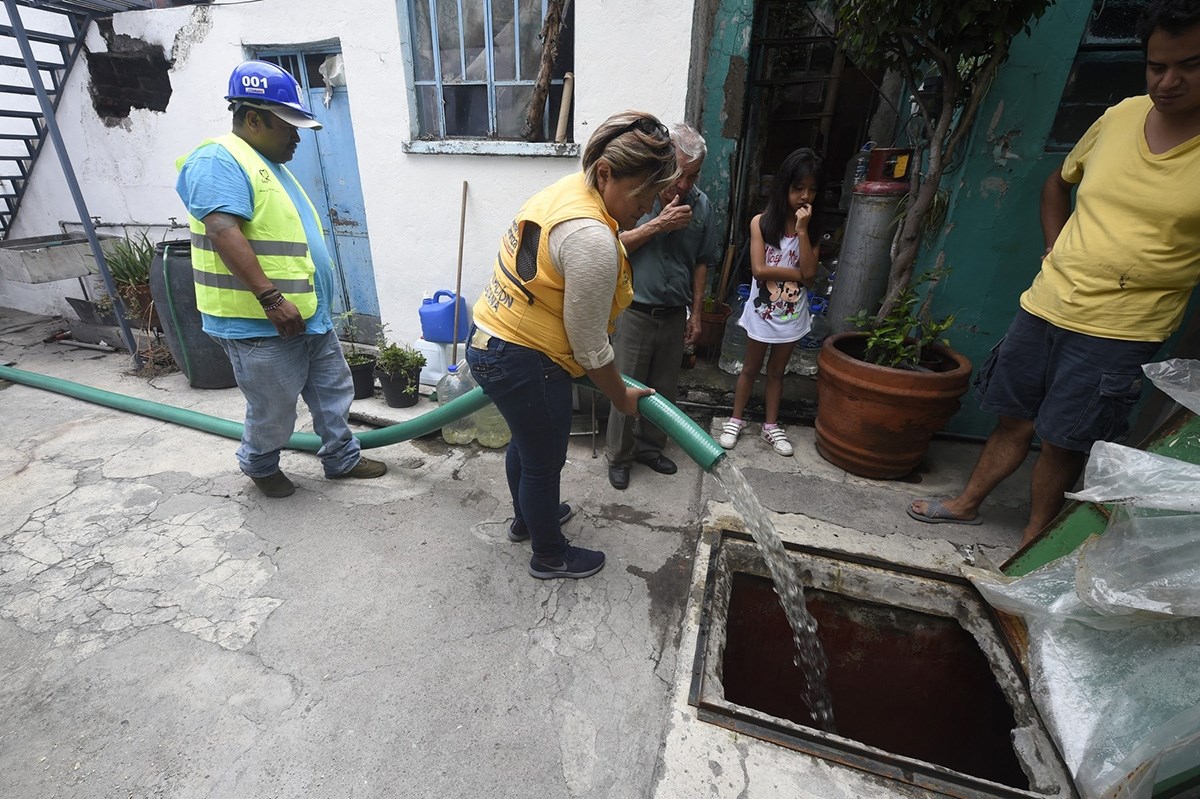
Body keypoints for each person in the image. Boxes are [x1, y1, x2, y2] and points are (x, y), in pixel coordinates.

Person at [908, 0, 1200, 545]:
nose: (1169, 80)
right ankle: (968, 503)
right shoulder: (1119, 117)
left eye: (1189, 64)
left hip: (1122, 328)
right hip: (1048, 304)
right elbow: (1056, 184)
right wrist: (1053, 247)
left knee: (1064, 439)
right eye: (1157, 65)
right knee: (1012, 417)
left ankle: (1034, 534)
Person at [467, 111, 679, 580]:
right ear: (606, 173)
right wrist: (622, 397)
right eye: (644, 193)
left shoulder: (571, 191)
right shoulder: (590, 238)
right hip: (525, 358)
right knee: (545, 462)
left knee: (527, 445)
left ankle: (528, 519)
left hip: (489, 338)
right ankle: (549, 554)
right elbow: (590, 348)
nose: (649, 205)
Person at [175, 60, 387, 499]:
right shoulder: (218, 159)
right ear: (253, 118)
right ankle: (260, 464)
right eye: (287, 125)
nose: (296, 136)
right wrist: (270, 299)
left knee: (333, 393)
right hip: (262, 322)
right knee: (274, 409)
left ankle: (341, 458)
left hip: (307, 314)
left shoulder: (268, 163)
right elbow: (222, 231)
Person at [605, 123, 722, 490]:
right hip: (634, 311)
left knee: (664, 390)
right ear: (667, 161)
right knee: (624, 389)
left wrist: (697, 313)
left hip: (674, 314)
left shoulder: (702, 205)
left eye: (694, 175)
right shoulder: (637, 197)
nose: (685, 184)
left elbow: (702, 261)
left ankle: (650, 448)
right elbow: (613, 246)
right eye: (681, 174)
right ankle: (619, 457)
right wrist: (657, 224)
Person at [718, 148, 822, 457]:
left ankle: (770, 425)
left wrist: (802, 232)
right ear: (784, 187)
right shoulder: (761, 223)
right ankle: (735, 419)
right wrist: (800, 274)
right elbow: (760, 271)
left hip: (792, 316)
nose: (805, 196)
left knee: (778, 372)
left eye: (812, 189)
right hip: (762, 314)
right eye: (798, 188)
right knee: (750, 368)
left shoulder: (812, 229)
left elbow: (811, 275)